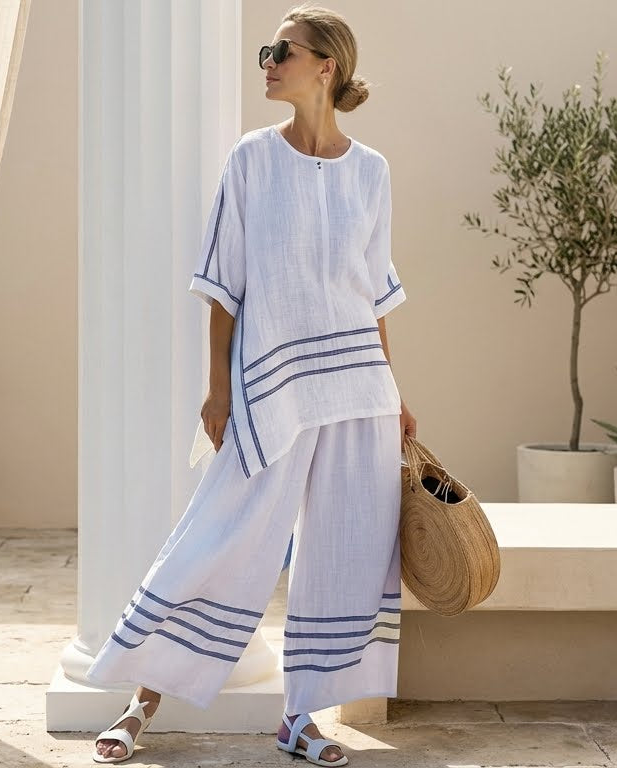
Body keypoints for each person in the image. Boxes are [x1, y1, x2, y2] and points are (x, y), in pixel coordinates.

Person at [88, 3, 416, 765]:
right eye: (266, 51)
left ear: (325, 67)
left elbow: (372, 292)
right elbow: (223, 284)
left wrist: (394, 391)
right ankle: (140, 701)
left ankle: (300, 718)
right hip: (273, 387)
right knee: (221, 537)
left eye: (281, 51)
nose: (266, 63)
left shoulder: (371, 171)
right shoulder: (252, 158)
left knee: (346, 550)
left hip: (358, 389)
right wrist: (217, 389)